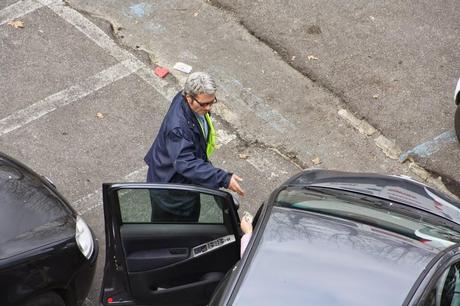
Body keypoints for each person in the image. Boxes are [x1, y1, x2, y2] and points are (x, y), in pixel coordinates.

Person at [144, 72, 245, 222]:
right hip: (172, 192)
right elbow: (186, 163)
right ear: (188, 97)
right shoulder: (178, 128)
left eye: (212, 102)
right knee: (174, 230)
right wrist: (223, 178)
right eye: (204, 104)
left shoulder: (187, 102)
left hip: (177, 182)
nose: (209, 108)